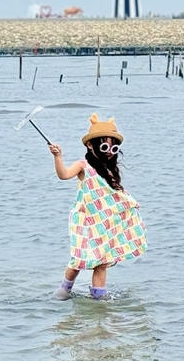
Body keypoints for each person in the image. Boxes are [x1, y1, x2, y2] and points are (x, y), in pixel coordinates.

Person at [48, 113, 146, 300]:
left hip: (104, 221)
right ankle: (64, 290)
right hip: (85, 220)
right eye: (104, 146)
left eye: (112, 147)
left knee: (102, 261)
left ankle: (99, 302)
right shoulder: (83, 166)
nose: (109, 151)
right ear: (90, 145)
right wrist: (58, 157)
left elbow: (114, 195)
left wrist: (130, 204)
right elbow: (64, 175)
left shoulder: (110, 170)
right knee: (79, 259)